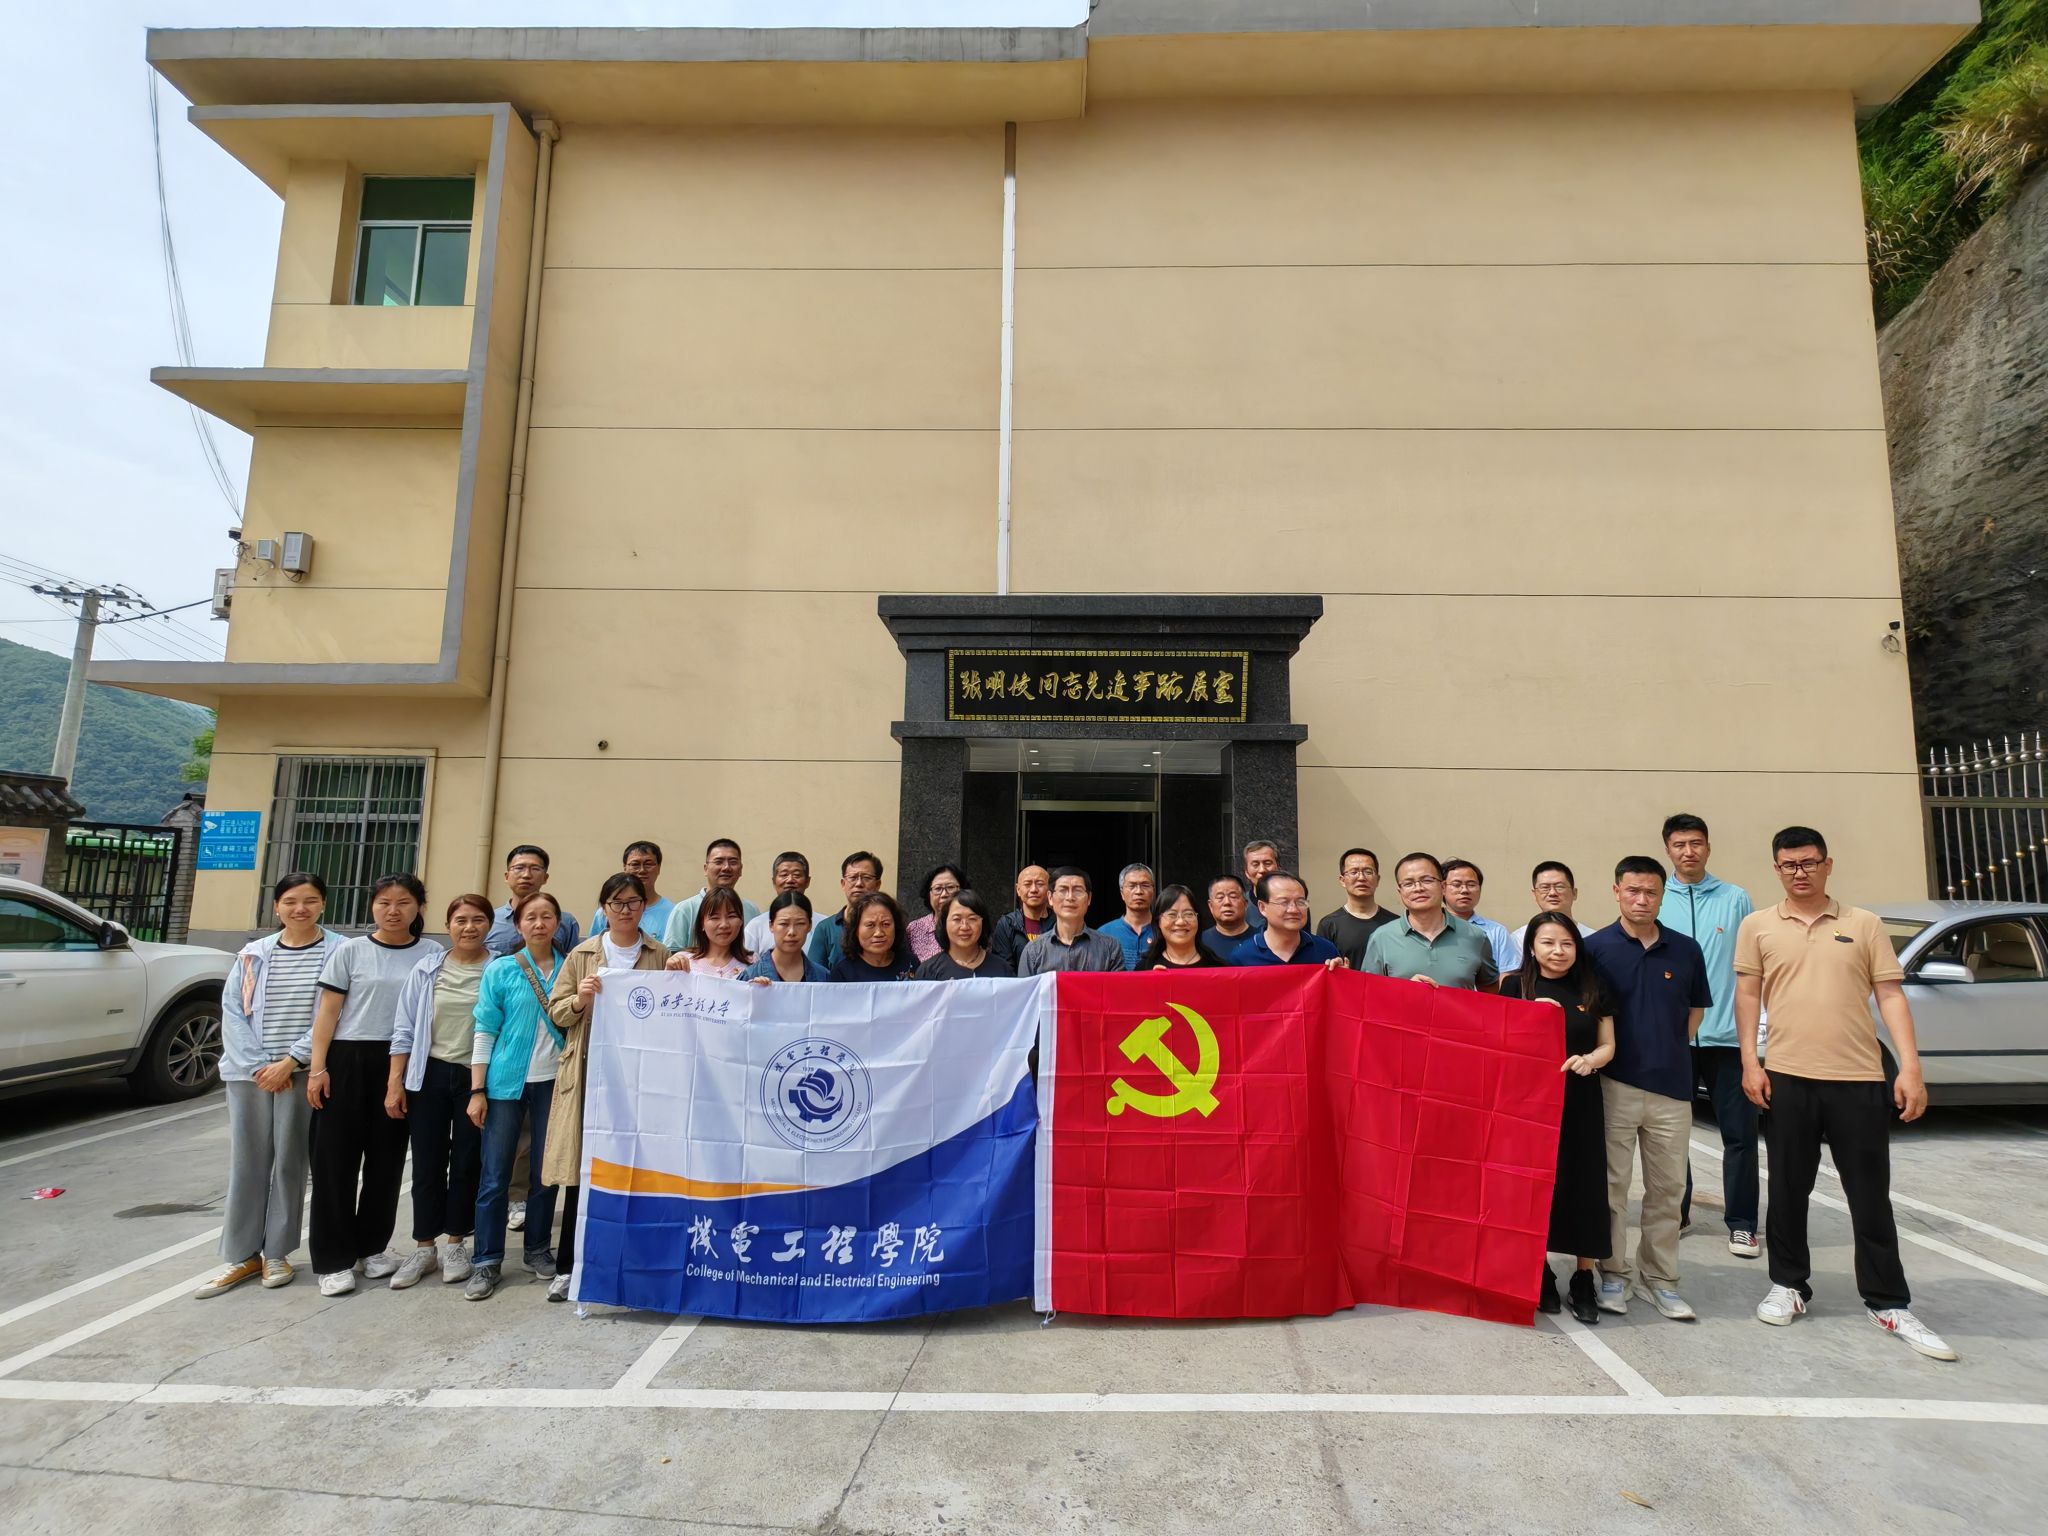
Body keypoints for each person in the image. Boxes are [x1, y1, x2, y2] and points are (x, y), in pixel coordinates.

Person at [1737, 826, 1955, 1361]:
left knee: (1869, 1194)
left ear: (1827, 864)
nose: (1800, 872)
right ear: (1776, 869)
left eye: (1809, 862)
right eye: (1789, 865)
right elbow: (1746, 994)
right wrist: (1749, 1062)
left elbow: (1891, 995)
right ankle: (1789, 1284)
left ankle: (1887, 1301)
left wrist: (1910, 1068)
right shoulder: (1758, 925)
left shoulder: (1864, 924)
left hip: (1858, 1079)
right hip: (1787, 1077)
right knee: (1788, 1189)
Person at [195, 871, 340, 1298]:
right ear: (276, 907)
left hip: (302, 1074)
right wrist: (261, 1067)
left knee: (291, 1164)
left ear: (323, 904)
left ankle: (277, 1252)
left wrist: (291, 1061)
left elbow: (333, 1014)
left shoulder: (339, 951)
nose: (300, 909)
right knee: (248, 1164)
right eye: (290, 901)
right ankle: (242, 1256)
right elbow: (233, 1012)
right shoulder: (252, 954)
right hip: (251, 1077)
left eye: (310, 900)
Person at [1584, 856, 1711, 1323]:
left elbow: (1694, 1012)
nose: (1642, 900)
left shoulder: (1685, 949)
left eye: (1651, 892)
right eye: (1633, 891)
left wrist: (1666, 1048)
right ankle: (1613, 1274)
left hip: (1672, 1089)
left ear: (1662, 895)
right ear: (1616, 891)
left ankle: (1661, 1280)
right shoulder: (1594, 949)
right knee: (1612, 1187)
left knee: (1667, 1190)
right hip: (1613, 1085)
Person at [543, 873, 672, 1303]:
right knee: (584, 1169)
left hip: (641, 1079)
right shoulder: (582, 954)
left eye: (633, 902)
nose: (625, 910)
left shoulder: (660, 955)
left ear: (643, 907)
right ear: (604, 908)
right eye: (616, 903)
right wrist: (580, 999)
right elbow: (558, 1012)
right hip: (590, 1074)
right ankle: (569, 1266)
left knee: (636, 1170)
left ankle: (632, 1262)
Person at [305, 873, 428, 1297]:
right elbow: (327, 1014)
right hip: (348, 1060)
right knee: (334, 1162)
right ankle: (333, 1260)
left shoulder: (431, 954)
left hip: (402, 1062)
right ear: (372, 906)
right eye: (384, 902)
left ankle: (371, 1247)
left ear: (418, 908)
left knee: (386, 1163)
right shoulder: (350, 951)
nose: (393, 911)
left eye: (404, 902)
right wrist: (317, 1068)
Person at [1503, 912, 1615, 1324]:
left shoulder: (1593, 985)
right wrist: (1529, 1015)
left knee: (1585, 1186)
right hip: (1528, 1104)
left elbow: (1608, 1045)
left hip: (1581, 1099)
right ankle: (1541, 1271)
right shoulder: (1515, 986)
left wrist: (1590, 1060)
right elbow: (1494, 1038)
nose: (1558, 951)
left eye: (1567, 943)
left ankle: (1584, 1277)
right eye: (1548, 943)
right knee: (1536, 1186)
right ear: (1532, 947)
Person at [1661, 812, 1760, 1258]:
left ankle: (1742, 1223)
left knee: (1739, 1135)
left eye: (1696, 843)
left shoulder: (1735, 898)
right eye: (1680, 844)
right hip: (1674, 1039)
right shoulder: (1655, 897)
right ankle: (1677, 1212)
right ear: (1668, 849)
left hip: (1727, 1037)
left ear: (1708, 847)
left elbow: (1752, 967)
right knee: (1671, 1134)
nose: (1688, 851)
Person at [383, 893, 492, 1291]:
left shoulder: (499, 968)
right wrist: (395, 1082)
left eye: (478, 920)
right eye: (461, 920)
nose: (469, 927)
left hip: (476, 1079)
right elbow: (404, 1028)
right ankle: (424, 1247)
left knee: (466, 1162)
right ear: (448, 926)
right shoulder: (428, 968)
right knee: (427, 1162)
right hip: (428, 1074)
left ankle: (457, 1243)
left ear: (489, 925)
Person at [466, 889, 568, 1301]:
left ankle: (537, 1249)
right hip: (504, 1084)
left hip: (556, 1083)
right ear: (519, 924)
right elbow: (484, 1029)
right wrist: (477, 1089)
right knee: (495, 1175)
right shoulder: (502, 969)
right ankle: (486, 1260)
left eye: (547, 916)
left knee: (546, 1172)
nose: (539, 924)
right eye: (531, 917)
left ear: (558, 923)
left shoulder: (571, 967)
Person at [1360, 854, 1498, 991]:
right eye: (1408, 883)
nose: (1418, 888)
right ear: (1400, 891)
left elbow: (1490, 993)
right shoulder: (1382, 938)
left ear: (1443, 886)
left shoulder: (1475, 936)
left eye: (1426, 880)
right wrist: (1404, 991)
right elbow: (1369, 993)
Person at [1016, 867, 1127, 974]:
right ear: (1050, 898)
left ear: (1089, 898)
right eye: (1063, 890)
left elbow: (1117, 987)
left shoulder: (1110, 948)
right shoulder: (1033, 951)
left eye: (1077, 890)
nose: (1070, 897)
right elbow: (1026, 988)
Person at [1230, 872, 1347, 968]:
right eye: (1284, 902)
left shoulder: (1325, 950)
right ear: (1262, 908)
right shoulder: (1242, 957)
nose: (1294, 909)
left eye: (1300, 902)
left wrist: (1342, 976)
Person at [661, 839, 761, 950]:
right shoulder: (685, 909)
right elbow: (672, 954)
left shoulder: (751, 910)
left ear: (741, 869)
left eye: (733, 862)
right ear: (706, 869)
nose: (726, 867)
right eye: (719, 862)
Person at [486, 845, 579, 958]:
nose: (526, 875)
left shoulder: (566, 922)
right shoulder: (490, 920)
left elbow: (574, 962)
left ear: (545, 878)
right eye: (519, 868)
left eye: (535, 868)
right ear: (507, 876)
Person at [1315, 847, 1397, 968]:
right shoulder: (1329, 924)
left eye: (1368, 872)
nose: (1361, 878)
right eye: (1354, 872)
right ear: (1342, 880)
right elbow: (1323, 969)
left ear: (1378, 879)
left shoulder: (1395, 923)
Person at [1442, 859, 1520, 979]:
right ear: (1442, 888)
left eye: (1471, 885)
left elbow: (1506, 976)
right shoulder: (1431, 928)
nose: (1464, 890)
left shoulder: (1497, 931)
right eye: (1456, 884)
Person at [806, 851, 883, 968]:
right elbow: (814, 974)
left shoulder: (887, 928)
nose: (859, 883)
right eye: (852, 878)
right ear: (843, 884)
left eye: (866, 878)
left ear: (877, 885)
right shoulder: (825, 929)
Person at [587, 841, 675, 942]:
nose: (642, 870)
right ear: (625, 868)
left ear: (659, 868)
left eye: (648, 864)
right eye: (635, 864)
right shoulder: (606, 912)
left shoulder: (673, 913)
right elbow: (593, 947)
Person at [915, 889, 1013, 979]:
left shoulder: (1002, 969)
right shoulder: (928, 971)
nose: (964, 927)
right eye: (957, 919)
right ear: (944, 923)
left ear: (983, 923)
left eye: (972, 919)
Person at [827, 891, 917, 981]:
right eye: (870, 925)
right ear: (856, 930)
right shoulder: (843, 973)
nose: (879, 933)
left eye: (885, 924)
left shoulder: (910, 963)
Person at [742, 892, 831, 982]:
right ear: (771, 926)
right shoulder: (750, 976)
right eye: (784, 924)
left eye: (800, 923)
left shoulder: (824, 977)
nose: (791, 932)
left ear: (809, 926)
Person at [665, 886, 752, 978]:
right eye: (715, 918)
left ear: (741, 921)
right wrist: (669, 974)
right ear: (702, 923)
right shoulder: (683, 962)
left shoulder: (753, 962)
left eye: (731, 916)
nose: (724, 925)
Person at [1139, 884, 1227, 970]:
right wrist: (1151, 978)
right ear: (1158, 922)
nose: (1180, 922)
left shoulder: (1218, 968)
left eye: (1188, 914)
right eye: (1172, 914)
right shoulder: (1145, 968)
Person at [743, 851, 812, 959]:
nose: (790, 880)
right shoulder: (756, 926)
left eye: (797, 875)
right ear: (774, 881)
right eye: (784, 875)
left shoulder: (822, 925)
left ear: (807, 881)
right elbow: (747, 964)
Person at [991, 864, 1052, 969]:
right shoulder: (1007, 924)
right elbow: (1003, 967)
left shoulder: (1059, 923)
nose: (1034, 889)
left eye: (1040, 884)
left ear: (1049, 889)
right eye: (1027, 884)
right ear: (1018, 889)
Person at [905, 864, 968, 965]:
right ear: (929, 894)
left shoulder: (972, 925)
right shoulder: (914, 929)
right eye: (938, 889)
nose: (944, 894)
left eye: (950, 887)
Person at [1100, 863, 1158, 969]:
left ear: (1153, 891)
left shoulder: (1164, 930)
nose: (1139, 891)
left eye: (1145, 885)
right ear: (1122, 893)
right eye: (1132, 886)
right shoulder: (1104, 933)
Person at [1529, 862, 1598, 939]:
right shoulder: (1521, 938)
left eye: (1560, 887)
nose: (1552, 893)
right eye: (1545, 887)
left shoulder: (1593, 937)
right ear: (1534, 894)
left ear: (1574, 893)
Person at [1201, 874, 1256, 960]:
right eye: (1220, 897)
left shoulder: (1261, 940)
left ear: (1245, 904)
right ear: (1210, 906)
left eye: (1233, 896)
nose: (1227, 902)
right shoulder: (1200, 943)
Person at [1240, 839, 1280, 931]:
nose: (1262, 870)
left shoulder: (1293, 903)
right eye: (1255, 864)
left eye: (1267, 863)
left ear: (1278, 867)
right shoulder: (1240, 905)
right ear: (1246, 872)